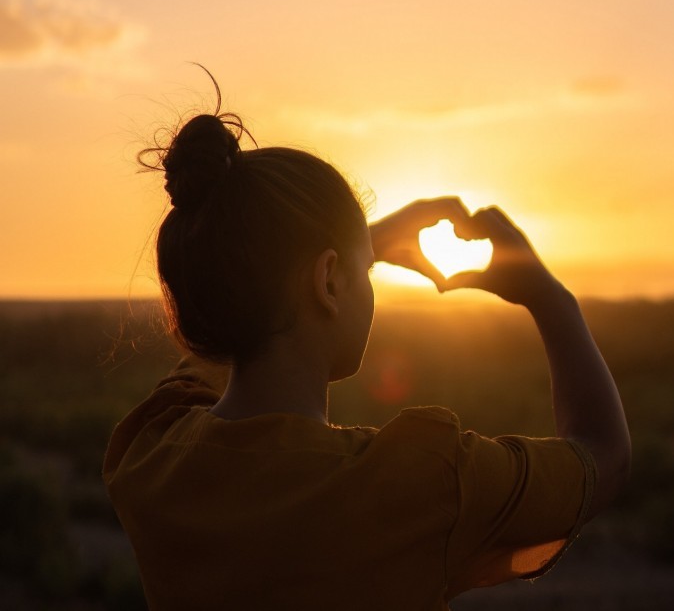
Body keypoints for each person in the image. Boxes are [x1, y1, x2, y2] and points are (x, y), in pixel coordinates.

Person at [103, 89, 630, 610]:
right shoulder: (419, 484)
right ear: (328, 281)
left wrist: (345, 246)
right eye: (366, 269)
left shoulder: (151, 456)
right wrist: (550, 297)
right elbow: (602, 455)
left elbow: (221, 335)